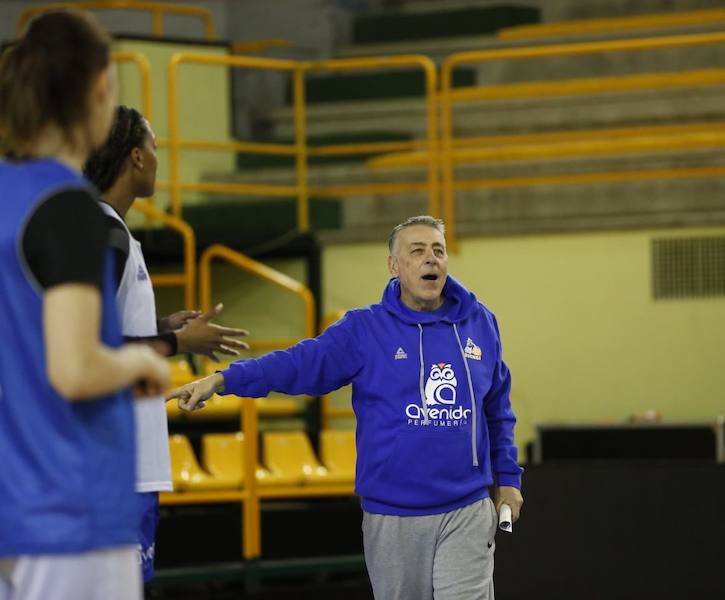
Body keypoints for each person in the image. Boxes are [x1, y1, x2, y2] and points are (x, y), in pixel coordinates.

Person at [168, 215, 524, 599]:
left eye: (438, 250)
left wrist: (509, 479)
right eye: (417, 251)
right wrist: (223, 380)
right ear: (394, 266)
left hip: (466, 508)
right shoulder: (364, 330)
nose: (431, 259)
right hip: (393, 514)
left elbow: (497, 409)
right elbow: (297, 363)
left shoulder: (479, 323)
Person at [0, 11, 170, 600]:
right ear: (100, 89)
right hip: (74, 510)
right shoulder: (69, 208)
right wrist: (144, 364)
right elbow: (75, 369)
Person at [83, 105, 251, 583]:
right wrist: (177, 341)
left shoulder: (104, 230)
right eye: (155, 147)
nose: (159, 157)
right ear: (135, 157)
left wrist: (161, 325)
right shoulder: (102, 233)